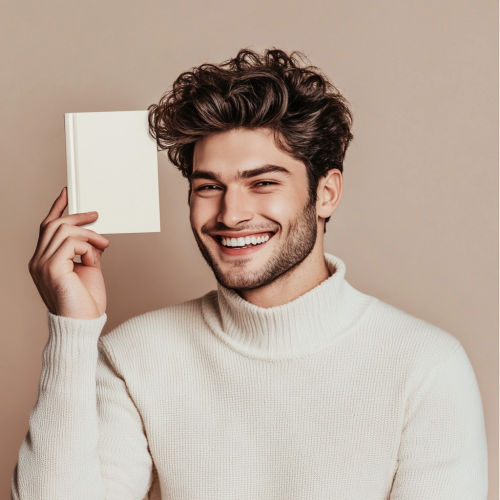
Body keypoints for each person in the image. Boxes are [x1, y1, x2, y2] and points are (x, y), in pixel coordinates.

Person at [12, 49, 488, 500]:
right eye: (209, 186)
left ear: (326, 194)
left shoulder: (425, 366)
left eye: (262, 183)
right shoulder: (135, 357)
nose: (231, 214)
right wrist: (72, 332)